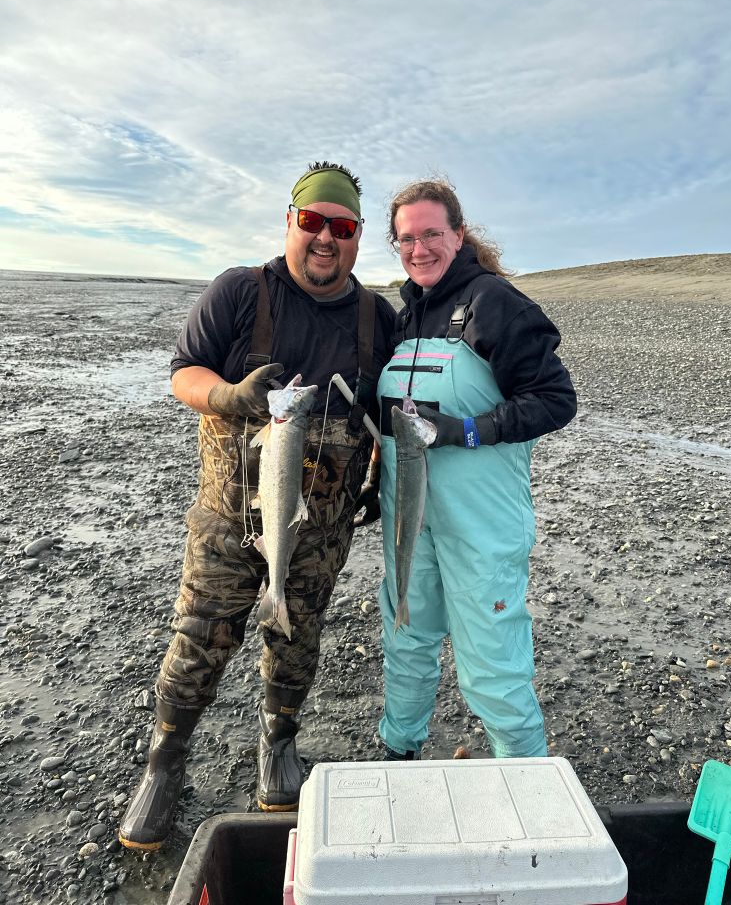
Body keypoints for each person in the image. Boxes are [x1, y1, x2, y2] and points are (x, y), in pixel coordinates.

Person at [119, 162, 395, 850]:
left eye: (343, 226)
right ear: (290, 222)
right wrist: (230, 397)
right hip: (227, 519)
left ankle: (278, 741)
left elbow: (392, 413)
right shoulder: (240, 291)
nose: (326, 238)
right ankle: (164, 760)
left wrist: (385, 479)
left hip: (321, 531)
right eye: (313, 222)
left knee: (297, 638)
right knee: (200, 636)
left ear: (357, 238)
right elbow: (184, 370)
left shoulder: (376, 318)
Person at [376, 178, 576, 762]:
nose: (420, 249)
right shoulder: (404, 317)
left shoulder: (494, 303)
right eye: (407, 239)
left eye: (432, 234)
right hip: (409, 519)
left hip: (481, 527)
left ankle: (527, 781)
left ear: (458, 235)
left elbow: (554, 399)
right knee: (406, 638)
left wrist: (468, 429)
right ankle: (397, 751)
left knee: (492, 665)